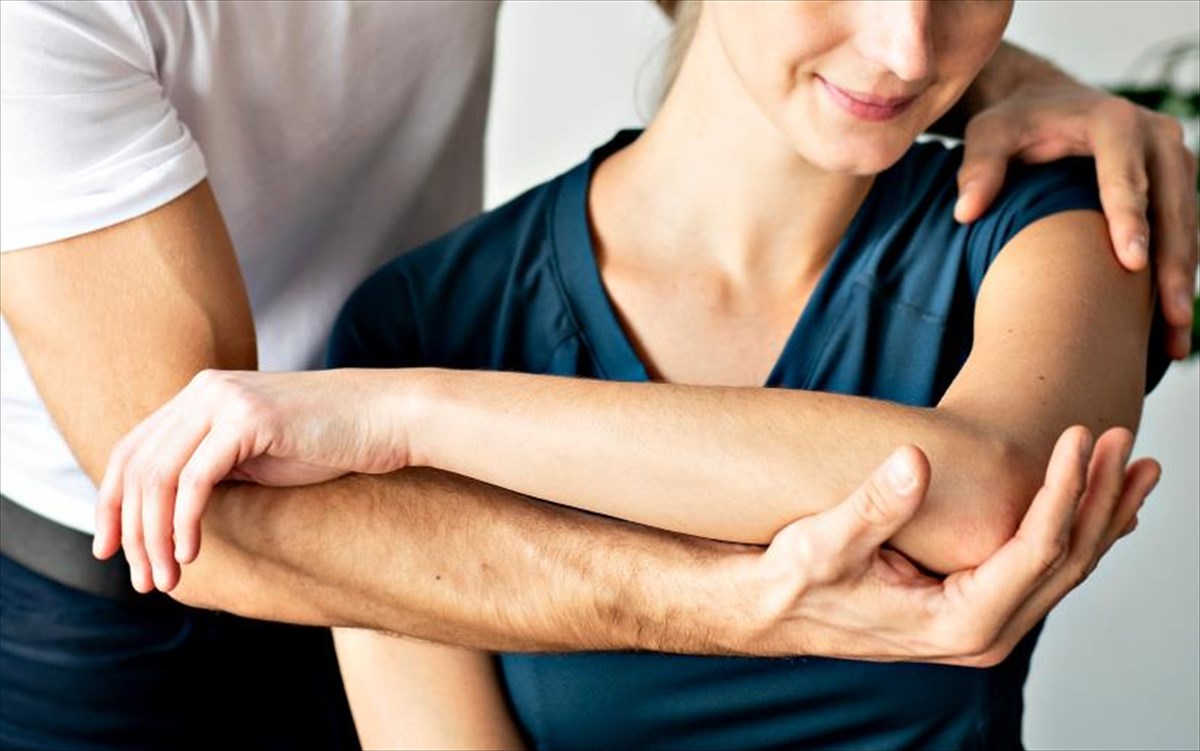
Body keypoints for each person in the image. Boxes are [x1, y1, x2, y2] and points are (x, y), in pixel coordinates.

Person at [0, 0, 1192, 748]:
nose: (905, 41)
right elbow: (203, 510)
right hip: (118, 563)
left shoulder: (1051, 211)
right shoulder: (429, 322)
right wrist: (740, 602)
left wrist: (403, 410)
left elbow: (988, 496)